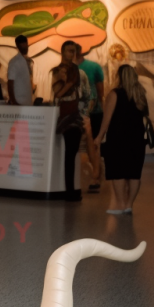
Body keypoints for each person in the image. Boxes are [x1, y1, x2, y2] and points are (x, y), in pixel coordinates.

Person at [94, 64, 148, 215]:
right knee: (134, 173)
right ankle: (129, 205)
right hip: (137, 138)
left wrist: (99, 137)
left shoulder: (114, 94)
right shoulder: (140, 94)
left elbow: (107, 119)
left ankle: (120, 204)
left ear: (119, 76)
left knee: (118, 171)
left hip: (118, 138)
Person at [50, 40, 89, 201]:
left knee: (72, 153)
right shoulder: (58, 71)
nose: (72, 54)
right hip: (66, 114)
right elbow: (57, 92)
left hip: (74, 114)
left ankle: (70, 189)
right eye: (69, 51)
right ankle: (70, 190)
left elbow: (73, 90)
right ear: (63, 52)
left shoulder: (74, 70)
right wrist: (66, 83)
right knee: (70, 153)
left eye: (74, 51)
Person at [75, 43, 105, 193]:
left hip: (94, 111)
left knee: (94, 144)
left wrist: (101, 108)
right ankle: (89, 175)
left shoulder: (94, 67)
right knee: (81, 145)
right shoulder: (66, 69)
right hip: (76, 112)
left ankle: (95, 177)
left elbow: (100, 91)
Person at [7, 34, 35, 105]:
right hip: (18, 101)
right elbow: (10, 82)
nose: (25, 48)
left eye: (26, 45)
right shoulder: (14, 62)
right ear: (17, 46)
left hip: (27, 101)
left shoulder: (27, 61)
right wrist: (14, 101)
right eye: (22, 45)